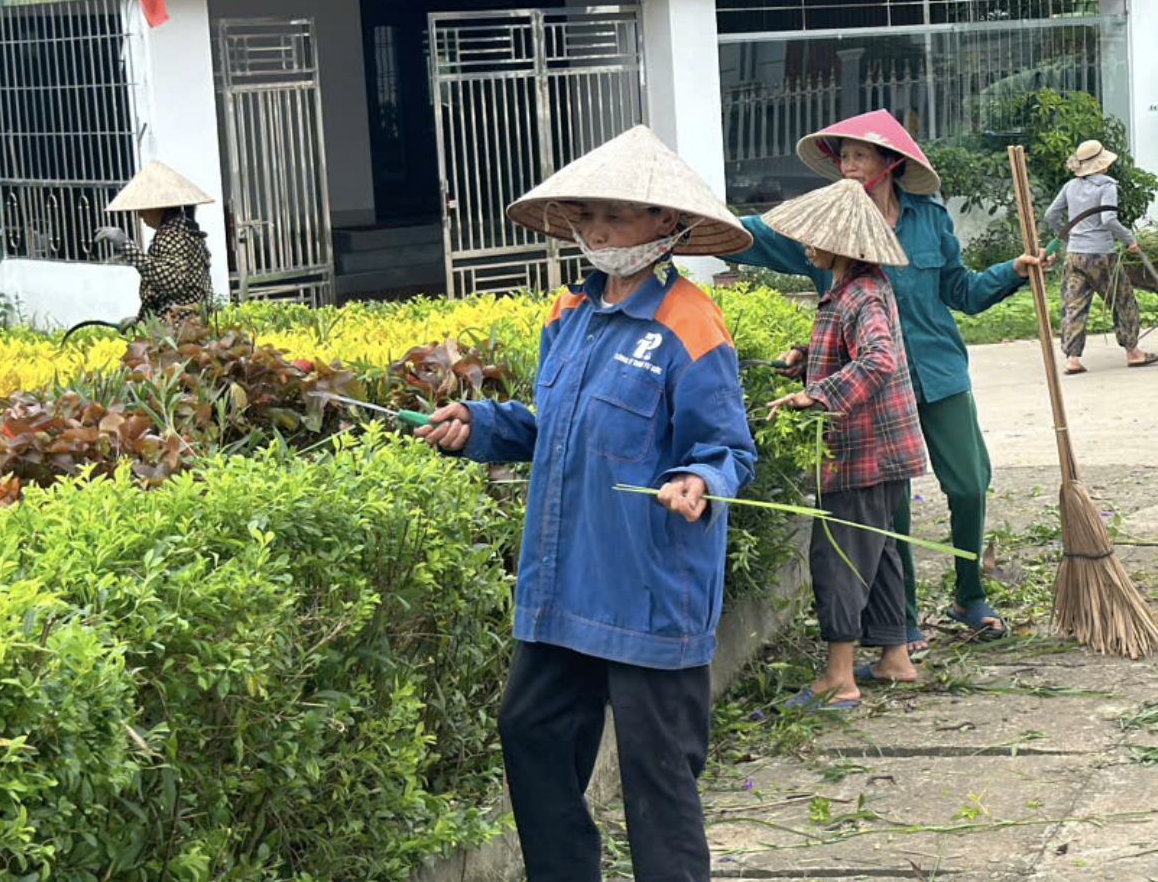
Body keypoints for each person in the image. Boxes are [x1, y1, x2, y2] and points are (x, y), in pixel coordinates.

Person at [417, 125, 757, 882]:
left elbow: (728, 447)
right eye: (587, 215)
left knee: (656, 778)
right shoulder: (566, 313)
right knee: (528, 729)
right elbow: (552, 430)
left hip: (647, 593)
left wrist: (700, 481)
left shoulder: (691, 323)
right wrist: (480, 424)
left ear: (666, 225)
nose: (597, 231)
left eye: (617, 215)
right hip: (565, 588)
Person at [729, 110, 1049, 651]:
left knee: (969, 483)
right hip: (869, 385)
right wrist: (687, 225)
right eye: (843, 157)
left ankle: (970, 596)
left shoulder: (929, 219)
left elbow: (962, 292)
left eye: (859, 156)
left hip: (938, 371)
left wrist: (1012, 272)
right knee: (889, 506)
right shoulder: (824, 225)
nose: (848, 167)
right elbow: (755, 236)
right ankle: (901, 622)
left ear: (890, 163)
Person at [760, 178, 927, 709]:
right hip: (884, 449)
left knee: (838, 555)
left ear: (844, 245)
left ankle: (839, 676)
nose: (806, 243)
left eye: (815, 236)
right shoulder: (854, 290)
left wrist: (818, 395)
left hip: (863, 451)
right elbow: (846, 347)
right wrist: (803, 357)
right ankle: (894, 657)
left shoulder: (860, 294)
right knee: (877, 550)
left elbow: (876, 358)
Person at [1041, 140, 1158, 375]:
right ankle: (1133, 352)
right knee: (1123, 300)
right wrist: (1130, 241)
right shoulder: (1107, 186)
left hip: (1075, 255)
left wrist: (1070, 235)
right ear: (1102, 165)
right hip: (1101, 256)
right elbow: (1108, 220)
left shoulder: (1070, 186)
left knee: (1074, 306)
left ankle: (1073, 359)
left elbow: (1050, 215)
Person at [95, 162, 215, 330]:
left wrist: (126, 246)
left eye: (144, 207)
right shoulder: (185, 231)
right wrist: (141, 319)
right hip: (184, 325)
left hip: (179, 330)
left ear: (160, 207)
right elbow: (168, 293)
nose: (140, 214)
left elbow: (172, 281)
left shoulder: (173, 236)